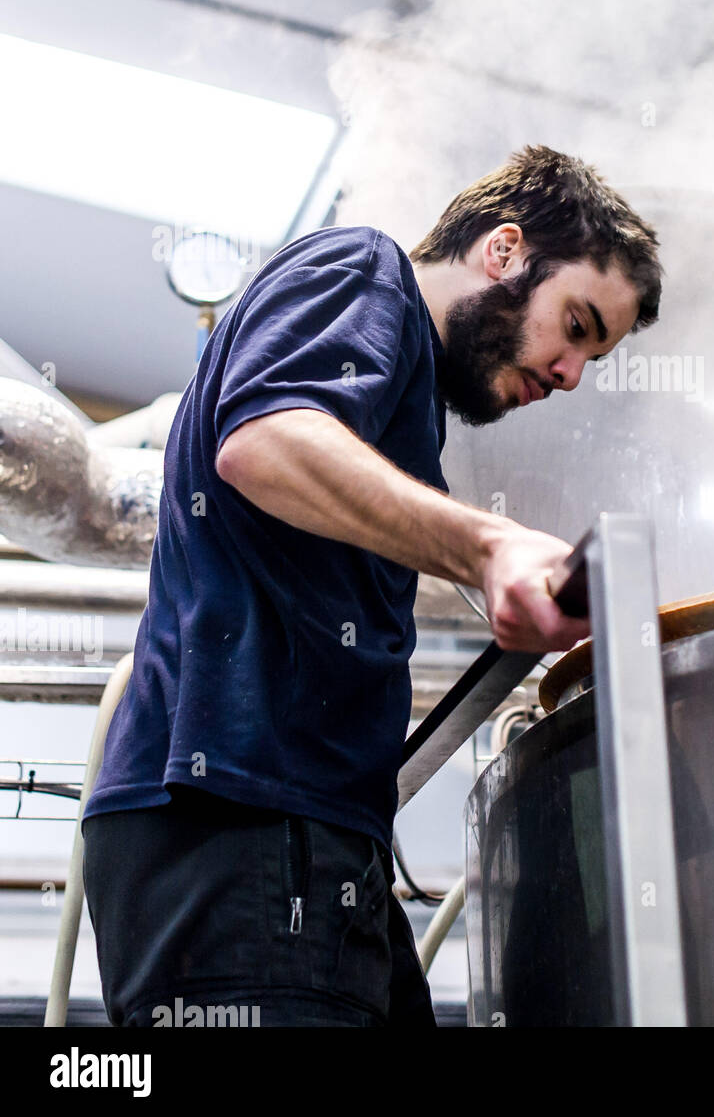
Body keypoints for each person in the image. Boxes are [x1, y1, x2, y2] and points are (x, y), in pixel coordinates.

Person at [80, 144, 663, 1027]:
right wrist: (490, 546)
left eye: (595, 356)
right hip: (237, 823)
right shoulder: (363, 269)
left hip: (309, 837)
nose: (571, 374)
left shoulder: (406, 404)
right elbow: (264, 441)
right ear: (504, 251)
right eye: (576, 325)